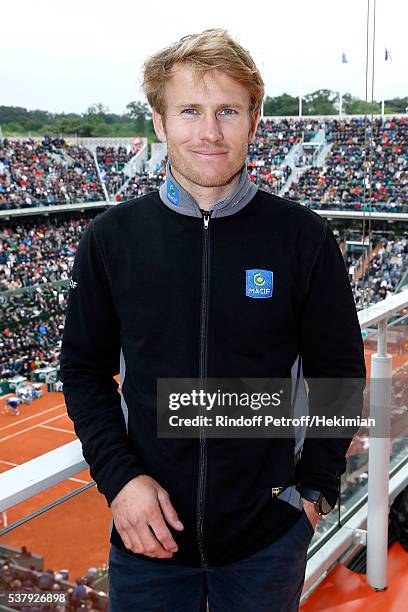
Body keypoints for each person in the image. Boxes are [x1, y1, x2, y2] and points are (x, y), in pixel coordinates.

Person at [60, 28, 366, 611]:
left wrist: (313, 493)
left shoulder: (303, 238)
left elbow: (340, 371)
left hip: (268, 539)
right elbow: (83, 370)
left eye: (228, 110)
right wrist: (120, 479)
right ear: (159, 121)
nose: (209, 132)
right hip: (147, 538)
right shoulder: (110, 240)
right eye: (190, 111)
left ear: (254, 121)